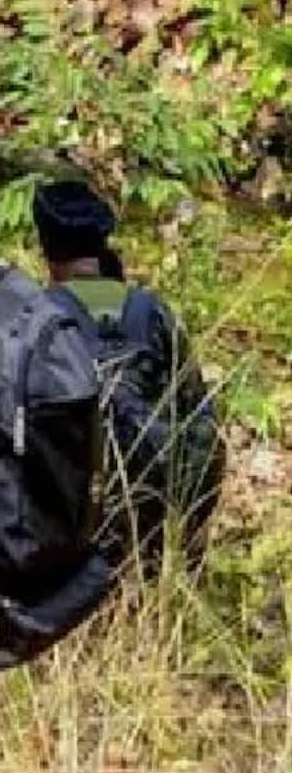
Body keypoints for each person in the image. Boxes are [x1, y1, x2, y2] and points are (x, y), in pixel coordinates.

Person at [34, 178, 224, 571]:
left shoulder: (34, 316)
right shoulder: (149, 309)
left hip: (74, 518)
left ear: (46, 249)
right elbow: (199, 413)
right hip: (155, 505)